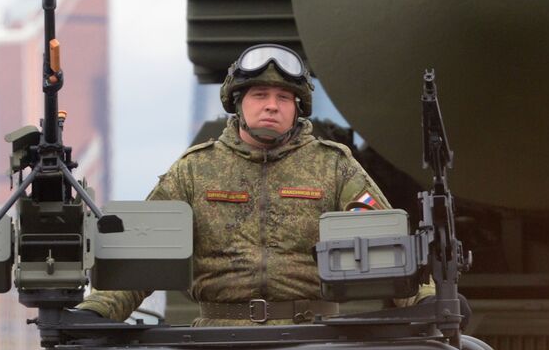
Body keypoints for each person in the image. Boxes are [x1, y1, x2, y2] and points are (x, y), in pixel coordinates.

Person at [77, 44, 433, 325]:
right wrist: (95, 312)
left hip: (313, 342)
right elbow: (141, 258)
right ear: (238, 104)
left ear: (298, 108)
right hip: (218, 348)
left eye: (282, 98)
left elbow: (389, 253)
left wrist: (427, 301)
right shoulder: (195, 170)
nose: (271, 107)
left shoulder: (334, 166)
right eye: (259, 95)